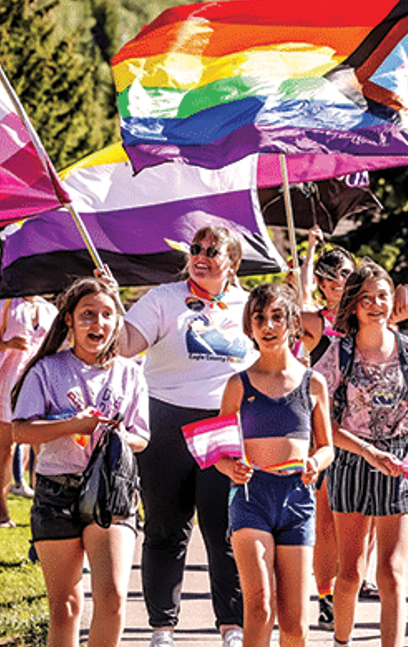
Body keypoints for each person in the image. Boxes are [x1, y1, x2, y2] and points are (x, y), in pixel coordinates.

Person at [109, 226, 251, 647]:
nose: (201, 256)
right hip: (165, 422)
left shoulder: (247, 305)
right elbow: (124, 346)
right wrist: (113, 308)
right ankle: (161, 628)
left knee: (224, 531)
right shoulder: (163, 298)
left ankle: (232, 626)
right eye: (196, 249)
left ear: (233, 264)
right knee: (165, 529)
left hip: (225, 424)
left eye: (213, 251)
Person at [315, 260, 408, 647]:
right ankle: (341, 642)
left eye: (383, 296)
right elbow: (321, 419)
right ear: (354, 306)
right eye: (367, 299)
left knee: (392, 571)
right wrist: (364, 451)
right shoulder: (338, 353)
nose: (377, 304)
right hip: (350, 459)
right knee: (351, 572)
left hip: (397, 462)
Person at [299, 234, 408, 632]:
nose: (376, 305)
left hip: (393, 451)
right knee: (339, 545)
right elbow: (317, 409)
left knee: (388, 561)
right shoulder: (322, 331)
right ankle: (331, 608)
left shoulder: (397, 337)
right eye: (334, 276)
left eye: (383, 297)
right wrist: (306, 261)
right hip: (342, 444)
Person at [11, 278, 149, 647]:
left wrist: (112, 435)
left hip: (111, 493)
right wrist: (76, 425)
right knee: (65, 607)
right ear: (69, 320)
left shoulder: (131, 372)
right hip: (57, 492)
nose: (98, 323)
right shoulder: (46, 370)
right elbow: (21, 431)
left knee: (113, 599)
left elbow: (142, 437)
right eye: (88, 315)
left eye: (107, 315)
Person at [217, 283, 334, 647]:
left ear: (293, 323)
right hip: (252, 497)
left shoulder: (313, 383)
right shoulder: (238, 385)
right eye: (260, 318)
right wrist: (230, 469)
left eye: (277, 317)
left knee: (296, 624)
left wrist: (316, 461)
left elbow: (327, 446)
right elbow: (219, 453)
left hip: (297, 499)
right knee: (259, 608)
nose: (268, 326)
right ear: (249, 327)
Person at [0, 294, 57, 526]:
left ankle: (44, 509)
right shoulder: (5, 302)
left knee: (43, 447)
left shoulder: (49, 309)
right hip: (8, 381)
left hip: (40, 380)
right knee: (6, 447)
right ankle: (3, 511)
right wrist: (7, 344)